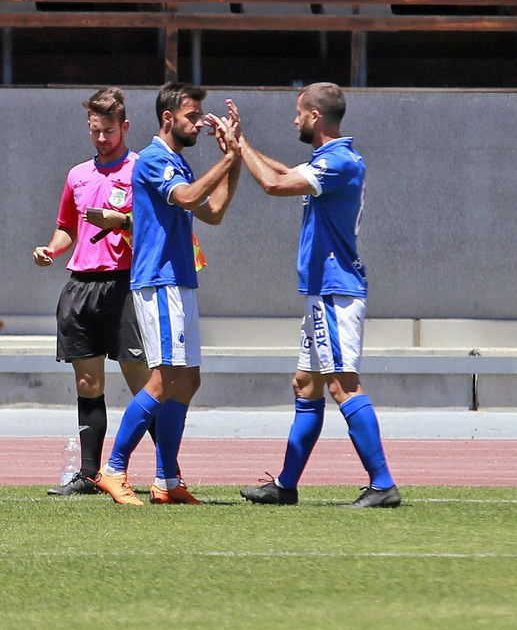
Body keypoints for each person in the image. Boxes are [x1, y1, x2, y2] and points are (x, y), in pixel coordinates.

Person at [231, 86, 401, 508]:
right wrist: (242, 147)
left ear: (316, 117)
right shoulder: (331, 160)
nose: (294, 120)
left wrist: (238, 146)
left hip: (335, 290)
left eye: (299, 113)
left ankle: (383, 484)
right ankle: (286, 486)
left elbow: (273, 183)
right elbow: (285, 173)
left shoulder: (339, 162)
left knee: (343, 386)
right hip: (322, 291)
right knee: (306, 384)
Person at [95, 82, 240, 507]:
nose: (198, 123)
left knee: (188, 380)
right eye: (192, 116)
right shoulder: (155, 158)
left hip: (180, 280)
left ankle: (167, 480)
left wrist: (231, 161)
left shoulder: (177, 161)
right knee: (162, 380)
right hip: (158, 281)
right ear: (167, 118)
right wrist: (229, 156)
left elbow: (211, 212)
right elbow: (190, 197)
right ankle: (113, 469)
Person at [33, 88, 153, 496]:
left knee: (144, 384)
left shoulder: (141, 170)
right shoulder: (77, 175)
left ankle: (167, 473)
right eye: (96, 131)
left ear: (126, 126)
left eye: (109, 131)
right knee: (88, 383)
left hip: (124, 285)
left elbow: (154, 232)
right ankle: (89, 475)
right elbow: (67, 228)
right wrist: (51, 249)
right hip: (80, 286)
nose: (102, 138)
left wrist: (120, 221)